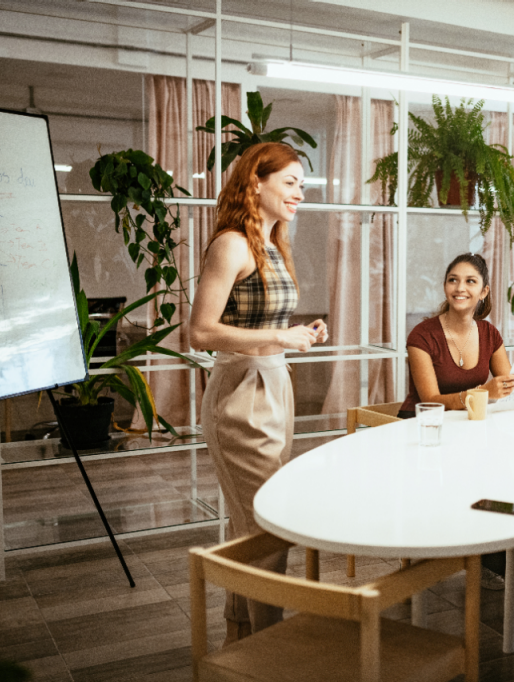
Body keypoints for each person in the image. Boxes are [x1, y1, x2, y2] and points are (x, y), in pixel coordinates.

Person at [190, 142, 328, 642]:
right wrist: (278, 338)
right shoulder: (231, 243)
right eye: (290, 183)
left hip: (273, 383)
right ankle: (270, 646)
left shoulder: (271, 242)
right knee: (268, 522)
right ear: (255, 184)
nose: (300, 193)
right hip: (241, 392)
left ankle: (242, 636)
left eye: (302, 185)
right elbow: (201, 332)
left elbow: (261, 319)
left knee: (251, 521)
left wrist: (298, 332)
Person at [399, 253, 514, 590]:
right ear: (445, 286)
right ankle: (457, 561)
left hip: (469, 427)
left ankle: (496, 563)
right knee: (476, 474)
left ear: (484, 291)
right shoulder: (422, 335)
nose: (460, 288)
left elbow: (507, 388)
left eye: (470, 281)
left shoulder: (489, 333)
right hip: (423, 428)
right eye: (453, 279)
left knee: (506, 471)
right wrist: (481, 391)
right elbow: (430, 400)